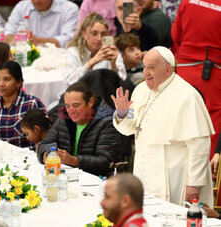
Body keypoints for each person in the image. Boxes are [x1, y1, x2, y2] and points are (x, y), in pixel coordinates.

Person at [112, 46, 214, 206]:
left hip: (175, 173)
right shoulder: (140, 90)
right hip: (144, 168)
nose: (145, 72)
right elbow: (128, 128)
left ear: (167, 69)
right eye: (144, 66)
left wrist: (194, 184)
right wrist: (123, 113)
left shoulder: (186, 95)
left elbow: (199, 145)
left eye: (151, 68)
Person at [171, 0, 221, 174]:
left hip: (185, 69)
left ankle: (177, 176)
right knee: (212, 127)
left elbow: (175, 35)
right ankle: (208, 181)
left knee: (179, 121)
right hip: (214, 72)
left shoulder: (187, 1)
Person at [37, 82, 123, 176]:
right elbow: (45, 143)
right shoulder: (65, 117)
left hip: (97, 181)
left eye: (76, 105)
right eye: (67, 106)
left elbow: (105, 162)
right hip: (68, 176)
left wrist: (72, 160)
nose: (71, 111)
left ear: (90, 102)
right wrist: (46, 154)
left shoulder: (107, 121)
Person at [0, 61, 46, 149]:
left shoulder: (32, 104)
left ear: (18, 82)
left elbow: (45, 138)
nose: (1, 84)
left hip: (27, 158)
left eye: (6, 79)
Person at [63, 12, 127, 87]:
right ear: (84, 34)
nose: (99, 38)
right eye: (94, 34)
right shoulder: (73, 52)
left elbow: (121, 82)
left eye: (103, 34)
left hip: (104, 94)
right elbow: (70, 81)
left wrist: (113, 65)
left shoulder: (111, 52)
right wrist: (91, 63)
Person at [4, 0, 79, 48]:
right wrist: (15, 39)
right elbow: (8, 31)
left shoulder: (69, 9)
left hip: (57, 58)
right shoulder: (22, 6)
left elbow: (70, 40)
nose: (36, 1)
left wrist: (39, 41)